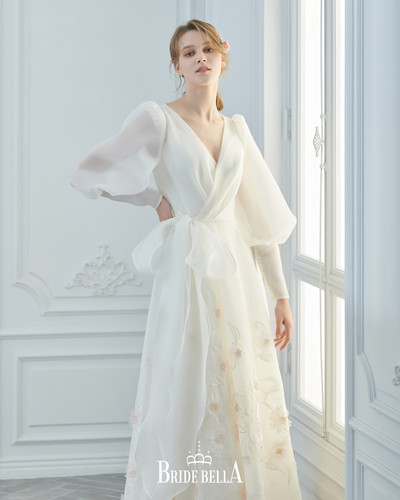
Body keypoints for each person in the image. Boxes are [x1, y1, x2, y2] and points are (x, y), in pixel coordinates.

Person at [70, 18, 302, 500]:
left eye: (207, 50)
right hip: (187, 271)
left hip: (236, 274)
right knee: (187, 375)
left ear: (222, 56)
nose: (200, 59)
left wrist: (280, 295)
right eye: (189, 53)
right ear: (177, 65)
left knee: (238, 381)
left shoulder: (237, 132)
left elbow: (260, 223)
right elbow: (90, 170)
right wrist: (154, 199)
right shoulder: (159, 120)